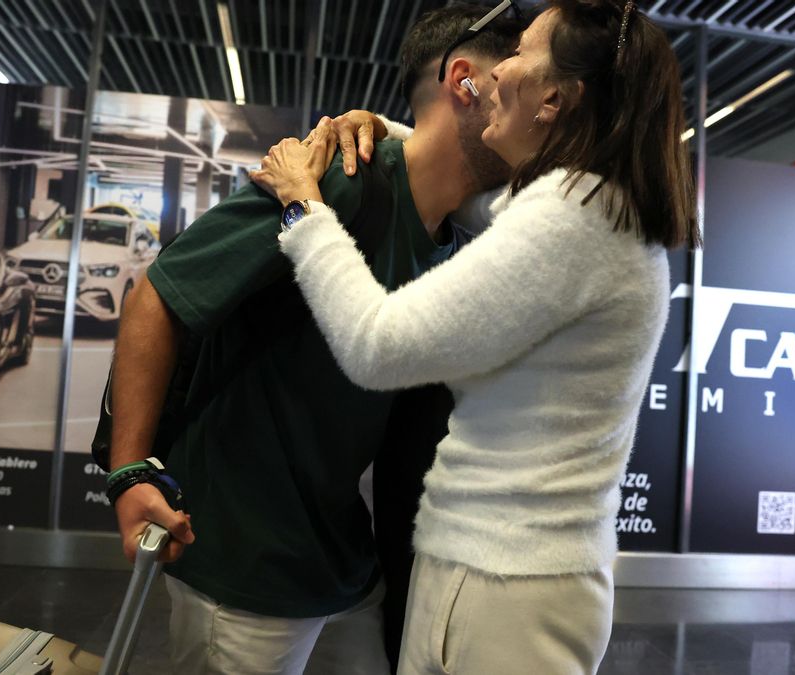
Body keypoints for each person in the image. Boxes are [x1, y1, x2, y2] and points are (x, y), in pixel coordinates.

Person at [248, 0, 698, 672]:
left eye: (520, 53)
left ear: (553, 98)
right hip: (491, 569)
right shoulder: (587, 205)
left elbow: (375, 344)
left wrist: (303, 206)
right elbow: (476, 199)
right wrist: (393, 133)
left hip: (512, 589)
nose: (499, 70)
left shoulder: (573, 219)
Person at [106, 5, 523, 674]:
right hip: (246, 561)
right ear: (465, 82)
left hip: (340, 564)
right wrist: (128, 471)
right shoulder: (335, 180)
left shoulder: (453, 239)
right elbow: (159, 295)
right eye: (520, 82)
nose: (541, 111)